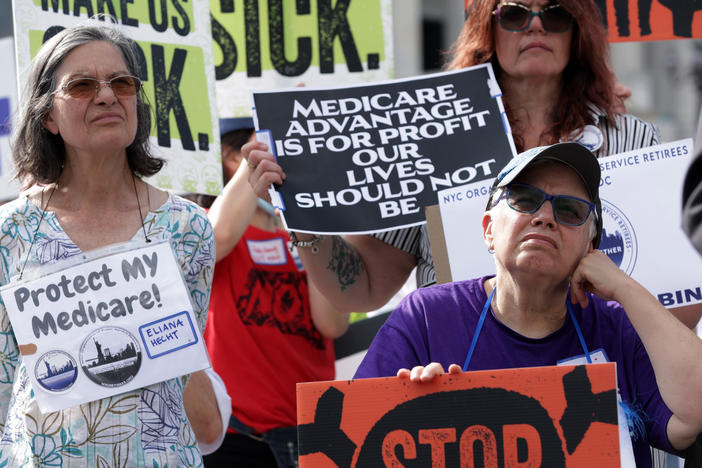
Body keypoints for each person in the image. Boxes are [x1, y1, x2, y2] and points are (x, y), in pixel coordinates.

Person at [244, 0, 661, 315]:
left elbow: (673, 288)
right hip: (457, 383)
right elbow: (363, 287)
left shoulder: (633, 140)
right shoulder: (426, 137)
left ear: (578, 30)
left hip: (597, 372)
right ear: (487, 26)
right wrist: (302, 213)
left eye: (554, 14)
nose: (536, 26)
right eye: (515, 14)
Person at [354, 142, 702, 467]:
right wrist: (403, 412)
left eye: (570, 210)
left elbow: (694, 413)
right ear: (488, 229)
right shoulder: (427, 317)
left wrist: (627, 288)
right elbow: (352, 441)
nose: (546, 217)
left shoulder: (619, 328)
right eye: (523, 199)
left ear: (591, 247)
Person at [0, 24, 215, 466]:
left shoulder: (189, 227)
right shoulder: (9, 230)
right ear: (48, 117)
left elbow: (180, 372)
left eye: (122, 83)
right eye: (81, 86)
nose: (106, 96)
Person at [200, 118, 349, 467]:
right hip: (238, 438)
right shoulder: (208, 227)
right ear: (233, 160)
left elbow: (332, 323)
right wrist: (255, 166)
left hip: (312, 432)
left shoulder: (310, 233)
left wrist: (313, 220)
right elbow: (215, 239)